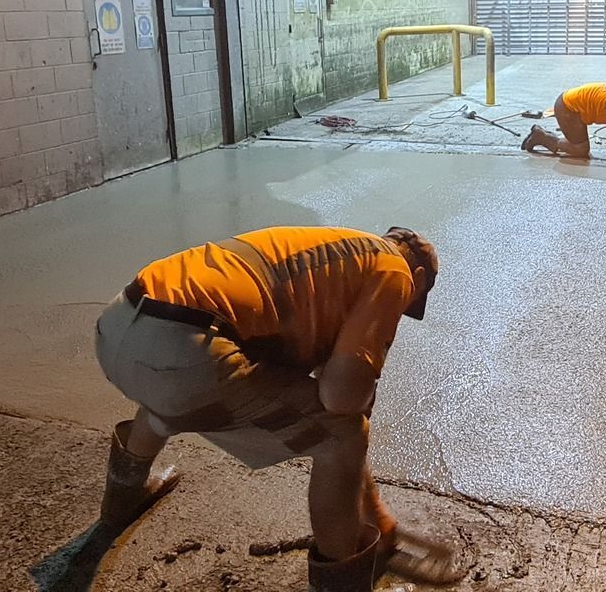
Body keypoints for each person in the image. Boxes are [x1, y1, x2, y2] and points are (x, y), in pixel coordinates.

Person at [93, 226, 461, 591]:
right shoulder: (394, 271)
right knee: (342, 438)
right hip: (185, 356)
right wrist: (359, 398)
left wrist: (373, 512)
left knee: (168, 400)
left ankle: (123, 497)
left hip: (118, 326)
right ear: (416, 277)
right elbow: (341, 399)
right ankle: (342, 582)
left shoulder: (334, 252)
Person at [520, 83, 606, 161]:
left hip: (571, 104)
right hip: (568, 108)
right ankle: (541, 137)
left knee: (580, 146)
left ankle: (544, 135)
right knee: (581, 150)